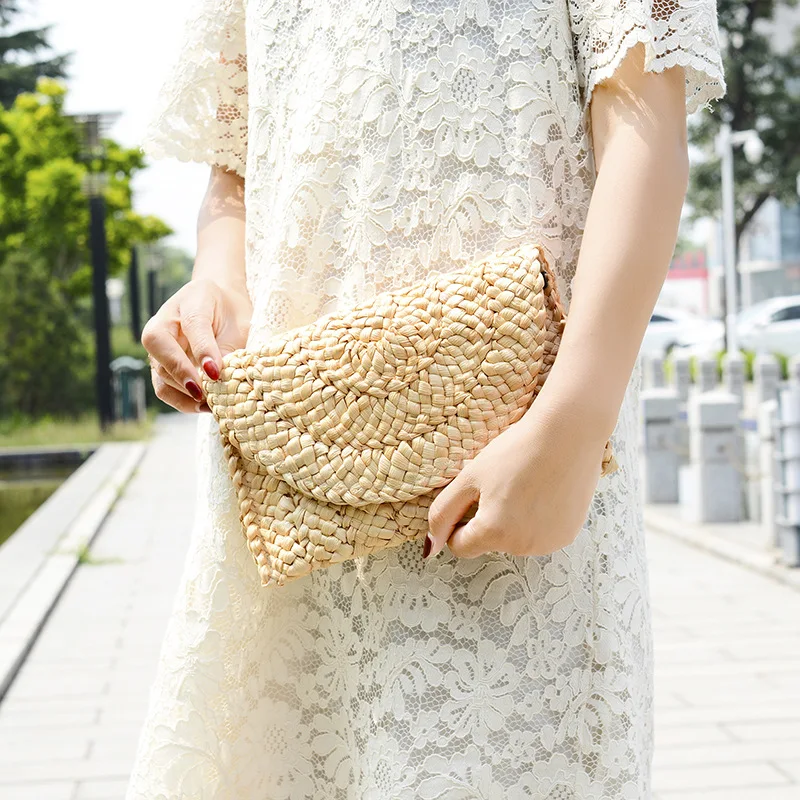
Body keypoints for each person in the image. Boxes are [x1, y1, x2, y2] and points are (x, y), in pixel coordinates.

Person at [128, 0, 725, 797]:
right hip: (286, 487)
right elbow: (236, 169)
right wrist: (213, 283)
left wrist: (573, 428)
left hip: (515, 473)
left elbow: (645, 118)